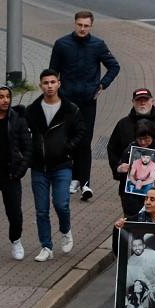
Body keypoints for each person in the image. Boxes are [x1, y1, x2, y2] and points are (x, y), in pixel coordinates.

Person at [49, 10, 119, 201]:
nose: (82, 28)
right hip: (67, 100)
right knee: (68, 138)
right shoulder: (62, 44)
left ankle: (85, 182)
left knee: (85, 140)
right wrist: (55, 90)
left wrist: (102, 85)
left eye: (86, 26)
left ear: (91, 26)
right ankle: (72, 178)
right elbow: (53, 70)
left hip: (88, 100)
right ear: (74, 24)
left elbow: (114, 66)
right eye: (79, 25)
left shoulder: (97, 45)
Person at [25, 69, 82, 262]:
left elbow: (80, 132)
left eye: (52, 82)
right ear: (40, 86)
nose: (49, 86)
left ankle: (65, 230)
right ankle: (46, 246)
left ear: (59, 83)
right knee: (41, 209)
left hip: (62, 165)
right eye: (45, 83)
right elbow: (25, 135)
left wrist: (69, 146)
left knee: (61, 204)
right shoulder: (32, 110)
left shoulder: (70, 109)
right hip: (39, 167)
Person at [0, 85, 31, 265]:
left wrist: (20, 170)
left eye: (8, 96)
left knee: (14, 213)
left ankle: (15, 240)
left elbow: (27, 147)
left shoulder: (17, 120)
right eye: (1, 96)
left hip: (11, 175)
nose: (5, 100)